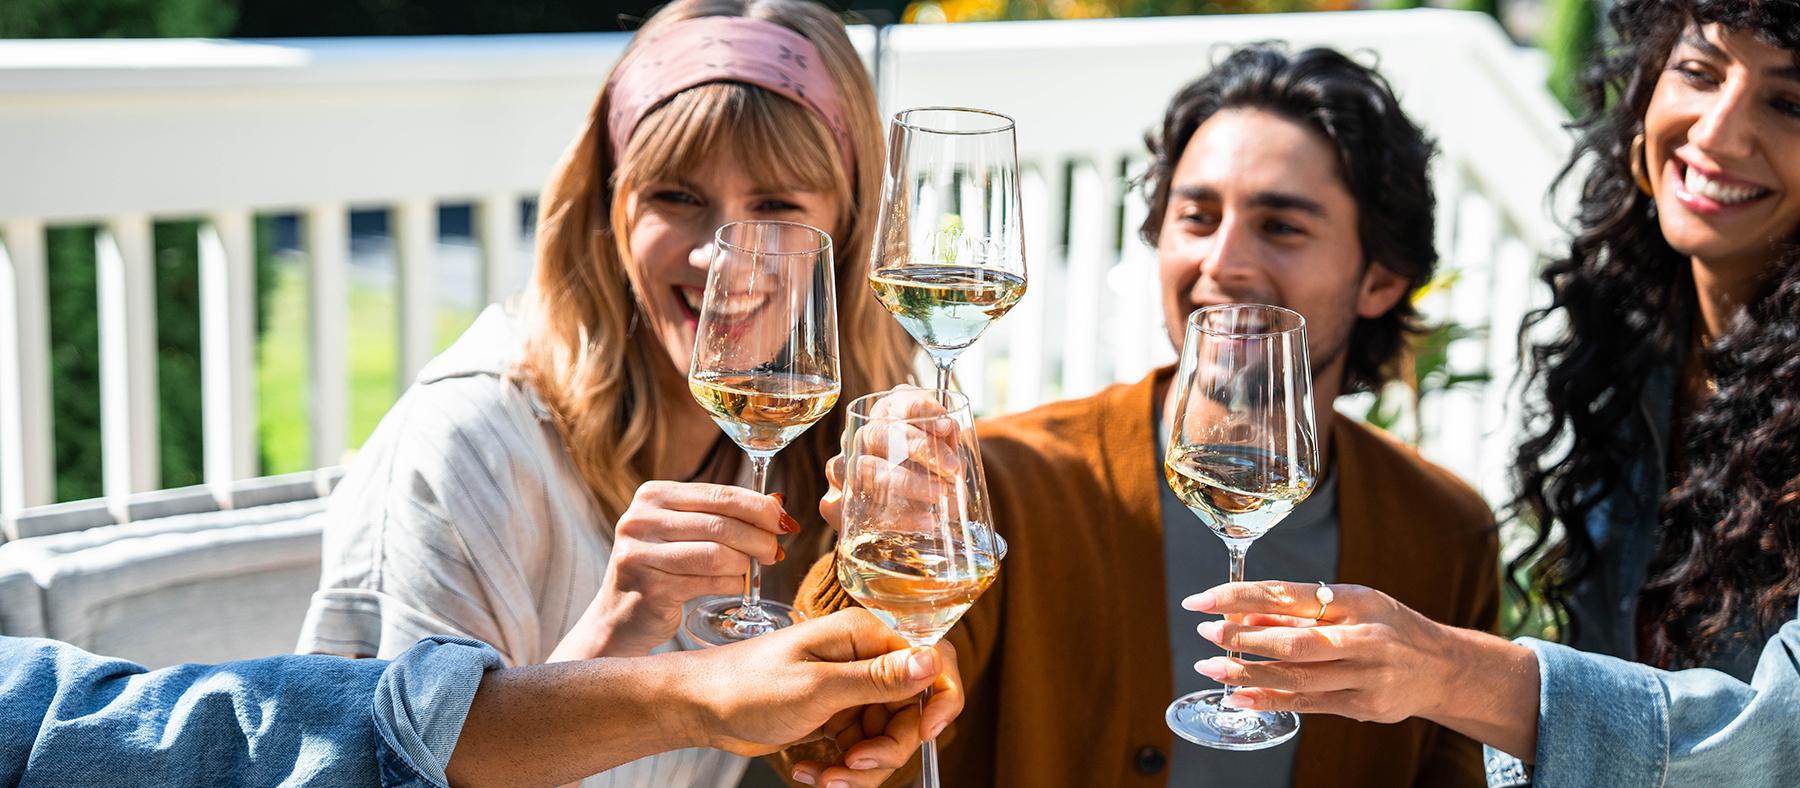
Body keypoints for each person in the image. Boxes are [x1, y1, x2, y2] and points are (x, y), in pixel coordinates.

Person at [783, 45, 1499, 788]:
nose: (1221, 262)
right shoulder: (1010, 481)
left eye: (1281, 226)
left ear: (1382, 279)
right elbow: (825, 746)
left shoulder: (1445, 532)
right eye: (1196, 216)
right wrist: (883, 540)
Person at [294, 1, 914, 786]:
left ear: (845, 232)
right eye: (677, 196)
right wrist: (612, 634)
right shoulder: (465, 450)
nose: (720, 255)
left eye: (777, 206)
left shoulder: (804, 442)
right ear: (611, 207)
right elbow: (381, 770)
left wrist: (883, 587)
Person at [1183, 2, 1800, 786]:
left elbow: (1785, 735)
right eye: (1698, 72)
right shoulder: (1635, 348)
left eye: (1788, 102)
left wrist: (1446, 670)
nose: (1715, 133)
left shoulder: (1437, 525)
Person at [2, 609, 963, 788]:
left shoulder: (840, 433)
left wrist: (702, 696)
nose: (724, 254)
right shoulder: (470, 438)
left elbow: (220, 741)